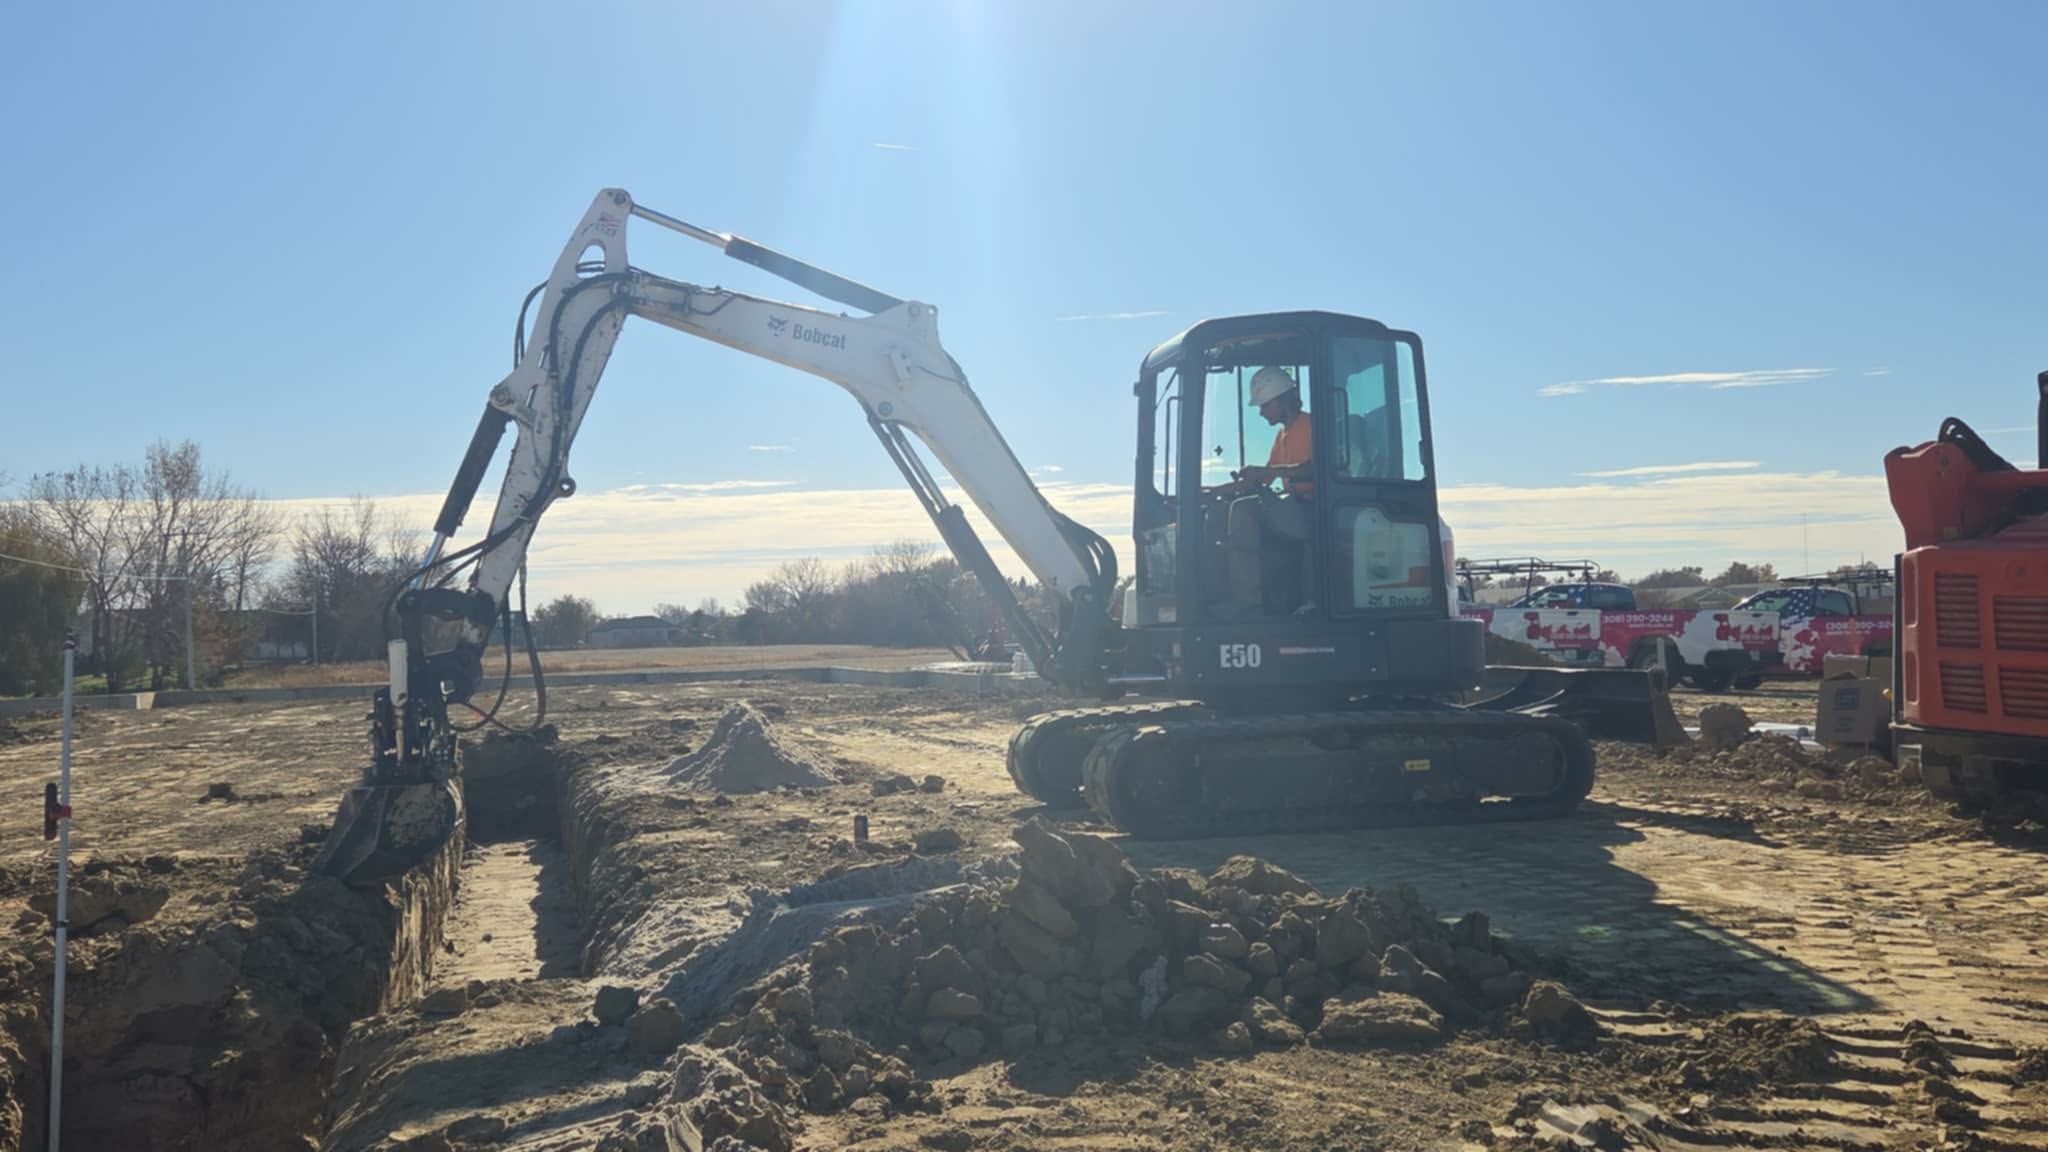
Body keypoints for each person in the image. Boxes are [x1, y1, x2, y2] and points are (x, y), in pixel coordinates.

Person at [1223, 366, 1314, 613]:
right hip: (1291, 507)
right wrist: (1215, 490)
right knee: (1228, 506)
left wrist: (1270, 473)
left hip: (1313, 509)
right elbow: (1262, 479)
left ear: (1283, 400)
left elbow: (1315, 469)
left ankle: (1249, 604)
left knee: (1243, 510)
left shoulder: (1312, 425)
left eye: (1265, 405)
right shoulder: (1282, 435)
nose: (1262, 412)